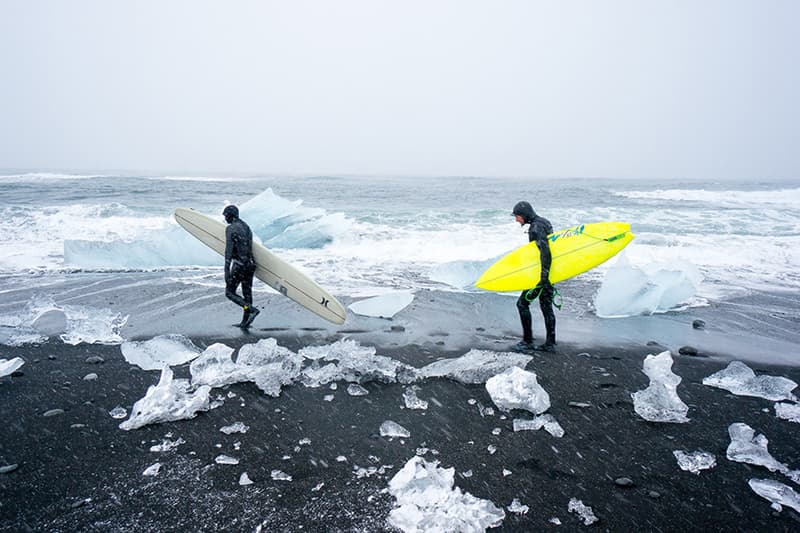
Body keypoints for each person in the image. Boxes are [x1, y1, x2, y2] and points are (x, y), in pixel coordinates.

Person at [512, 201, 556, 352]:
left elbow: (545, 252)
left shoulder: (536, 228)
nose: (516, 219)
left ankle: (527, 341)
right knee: (546, 307)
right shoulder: (544, 222)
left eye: (517, 216)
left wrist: (543, 277)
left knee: (522, 304)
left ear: (524, 215)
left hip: (540, 275)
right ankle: (550, 343)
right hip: (549, 272)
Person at [222, 205, 260, 328]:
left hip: (240, 265)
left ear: (230, 215)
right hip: (251, 264)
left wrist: (226, 271)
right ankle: (245, 322)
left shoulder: (231, 228)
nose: (225, 218)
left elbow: (228, 251)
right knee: (247, 293)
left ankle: (251, 309)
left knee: (229, 292)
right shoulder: (246, 227)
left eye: (225, 216)